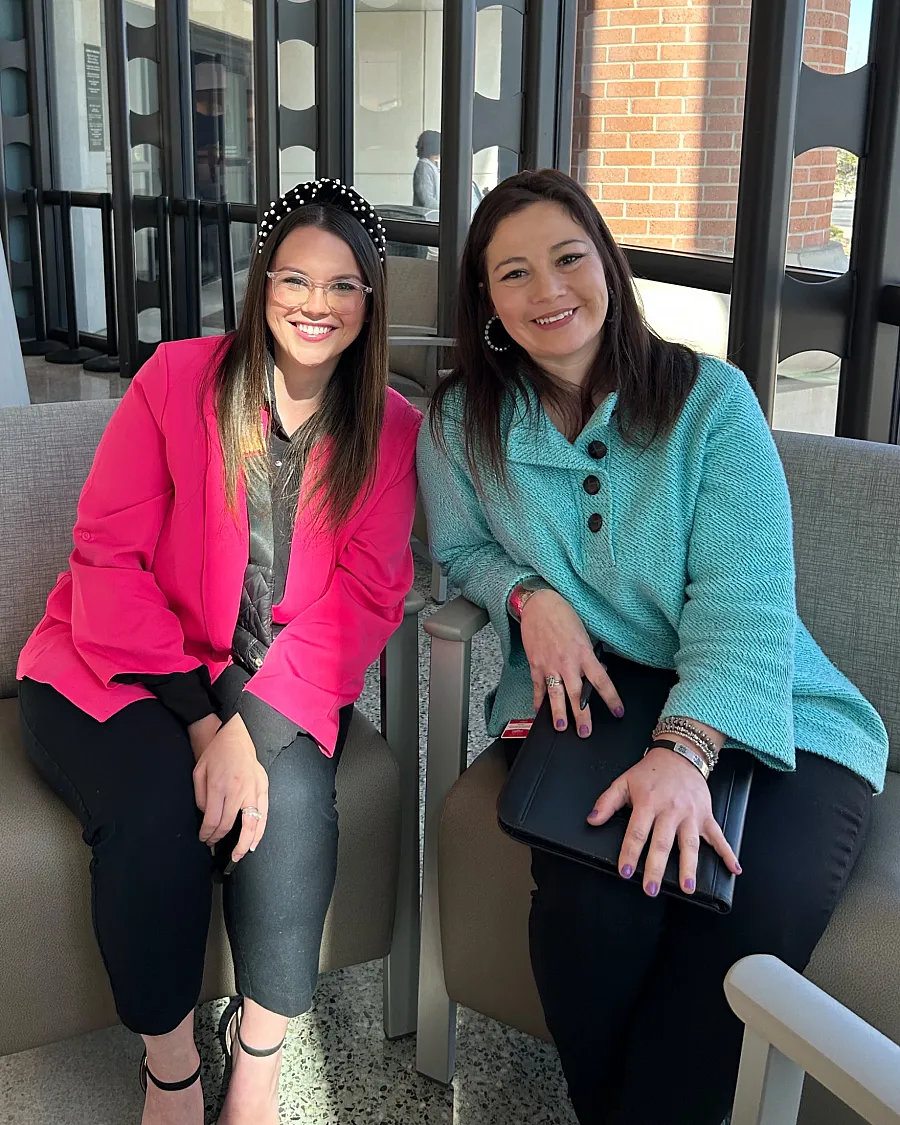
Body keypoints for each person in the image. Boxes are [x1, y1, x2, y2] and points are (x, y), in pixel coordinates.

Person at [416, 168, 888, 1125]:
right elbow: (458, 549)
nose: (548, 291)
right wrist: (527, 594)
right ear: (487, 302)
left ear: (607, 265)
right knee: (593, 912)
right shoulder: (461, 421)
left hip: (773, 705)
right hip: (600, 705)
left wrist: (687, 752)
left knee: (744, 926)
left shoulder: (710, 403)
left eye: (568, 258)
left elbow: (744, 599)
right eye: (514, 274)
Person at [17, 178, 421, 1125]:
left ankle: (260, 1062)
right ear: (260, 283)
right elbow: (107, 555)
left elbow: (368, 591)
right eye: (294, 279)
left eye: (342, 285)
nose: (314, 305)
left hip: (274, 677)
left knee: (293, 819)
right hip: (116, 663)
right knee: (156, 813)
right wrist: (206, 724)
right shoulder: (177, 379)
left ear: (370, 299)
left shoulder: (392, 427)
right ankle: (169, 1068)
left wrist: (254, 723)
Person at [413, 130, 483, 218]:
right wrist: (449, 211)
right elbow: (427, 200)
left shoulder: (434, 166)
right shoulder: (424, 167)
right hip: (429, 219)